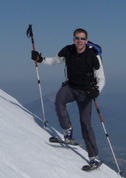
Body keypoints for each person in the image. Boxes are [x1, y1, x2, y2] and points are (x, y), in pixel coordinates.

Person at [31, 28, 105, 170]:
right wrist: (40, 59)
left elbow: (101, 78)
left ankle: (94, 157)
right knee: (59, 100)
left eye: (82, 38)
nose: (79, 41)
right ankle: (68, 131)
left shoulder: (92, 56)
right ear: (73, 39)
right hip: (71, 88)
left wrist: (96, 91)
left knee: (85, 123)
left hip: (86, 92)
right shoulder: (68, 50)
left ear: (86, 41)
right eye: (77, 38)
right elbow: (55, 61)